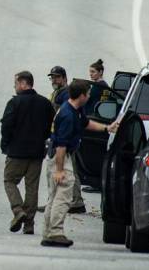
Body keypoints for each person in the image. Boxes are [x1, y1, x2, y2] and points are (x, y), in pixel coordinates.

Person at [42, 81, 119, 248]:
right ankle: (55, 233)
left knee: (54, 196)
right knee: (62, 196)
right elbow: (62, 145)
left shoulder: (73, 109)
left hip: (58, 155)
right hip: (60, 156)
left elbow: (86, 123)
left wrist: (107, 128)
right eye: (88, 93)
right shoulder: (68, 115)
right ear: (82, 95)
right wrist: (60, 170)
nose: (90, 96)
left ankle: (48, 232)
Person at [0, 71, 55, 235]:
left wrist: (5, 145)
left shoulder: (14, 103)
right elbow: (51, 125)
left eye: (16, 83)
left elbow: (6, 126)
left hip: (16, 152)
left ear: (24, 83)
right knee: (32, 188)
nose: (15, 87)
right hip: (36, 153)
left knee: (9, 180)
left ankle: (18, 210)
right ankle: (29, 224)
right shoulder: (45, 103)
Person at [45, 65, 86, 214]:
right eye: (52, 77)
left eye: (57, 77)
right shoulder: (59, 92)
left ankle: (75, 202)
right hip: (60, 135)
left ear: (64, 78)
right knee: (69, 169)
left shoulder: (66, 94)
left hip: (65, 138)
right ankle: (73, 201)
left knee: (68, 170)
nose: (54, 80)